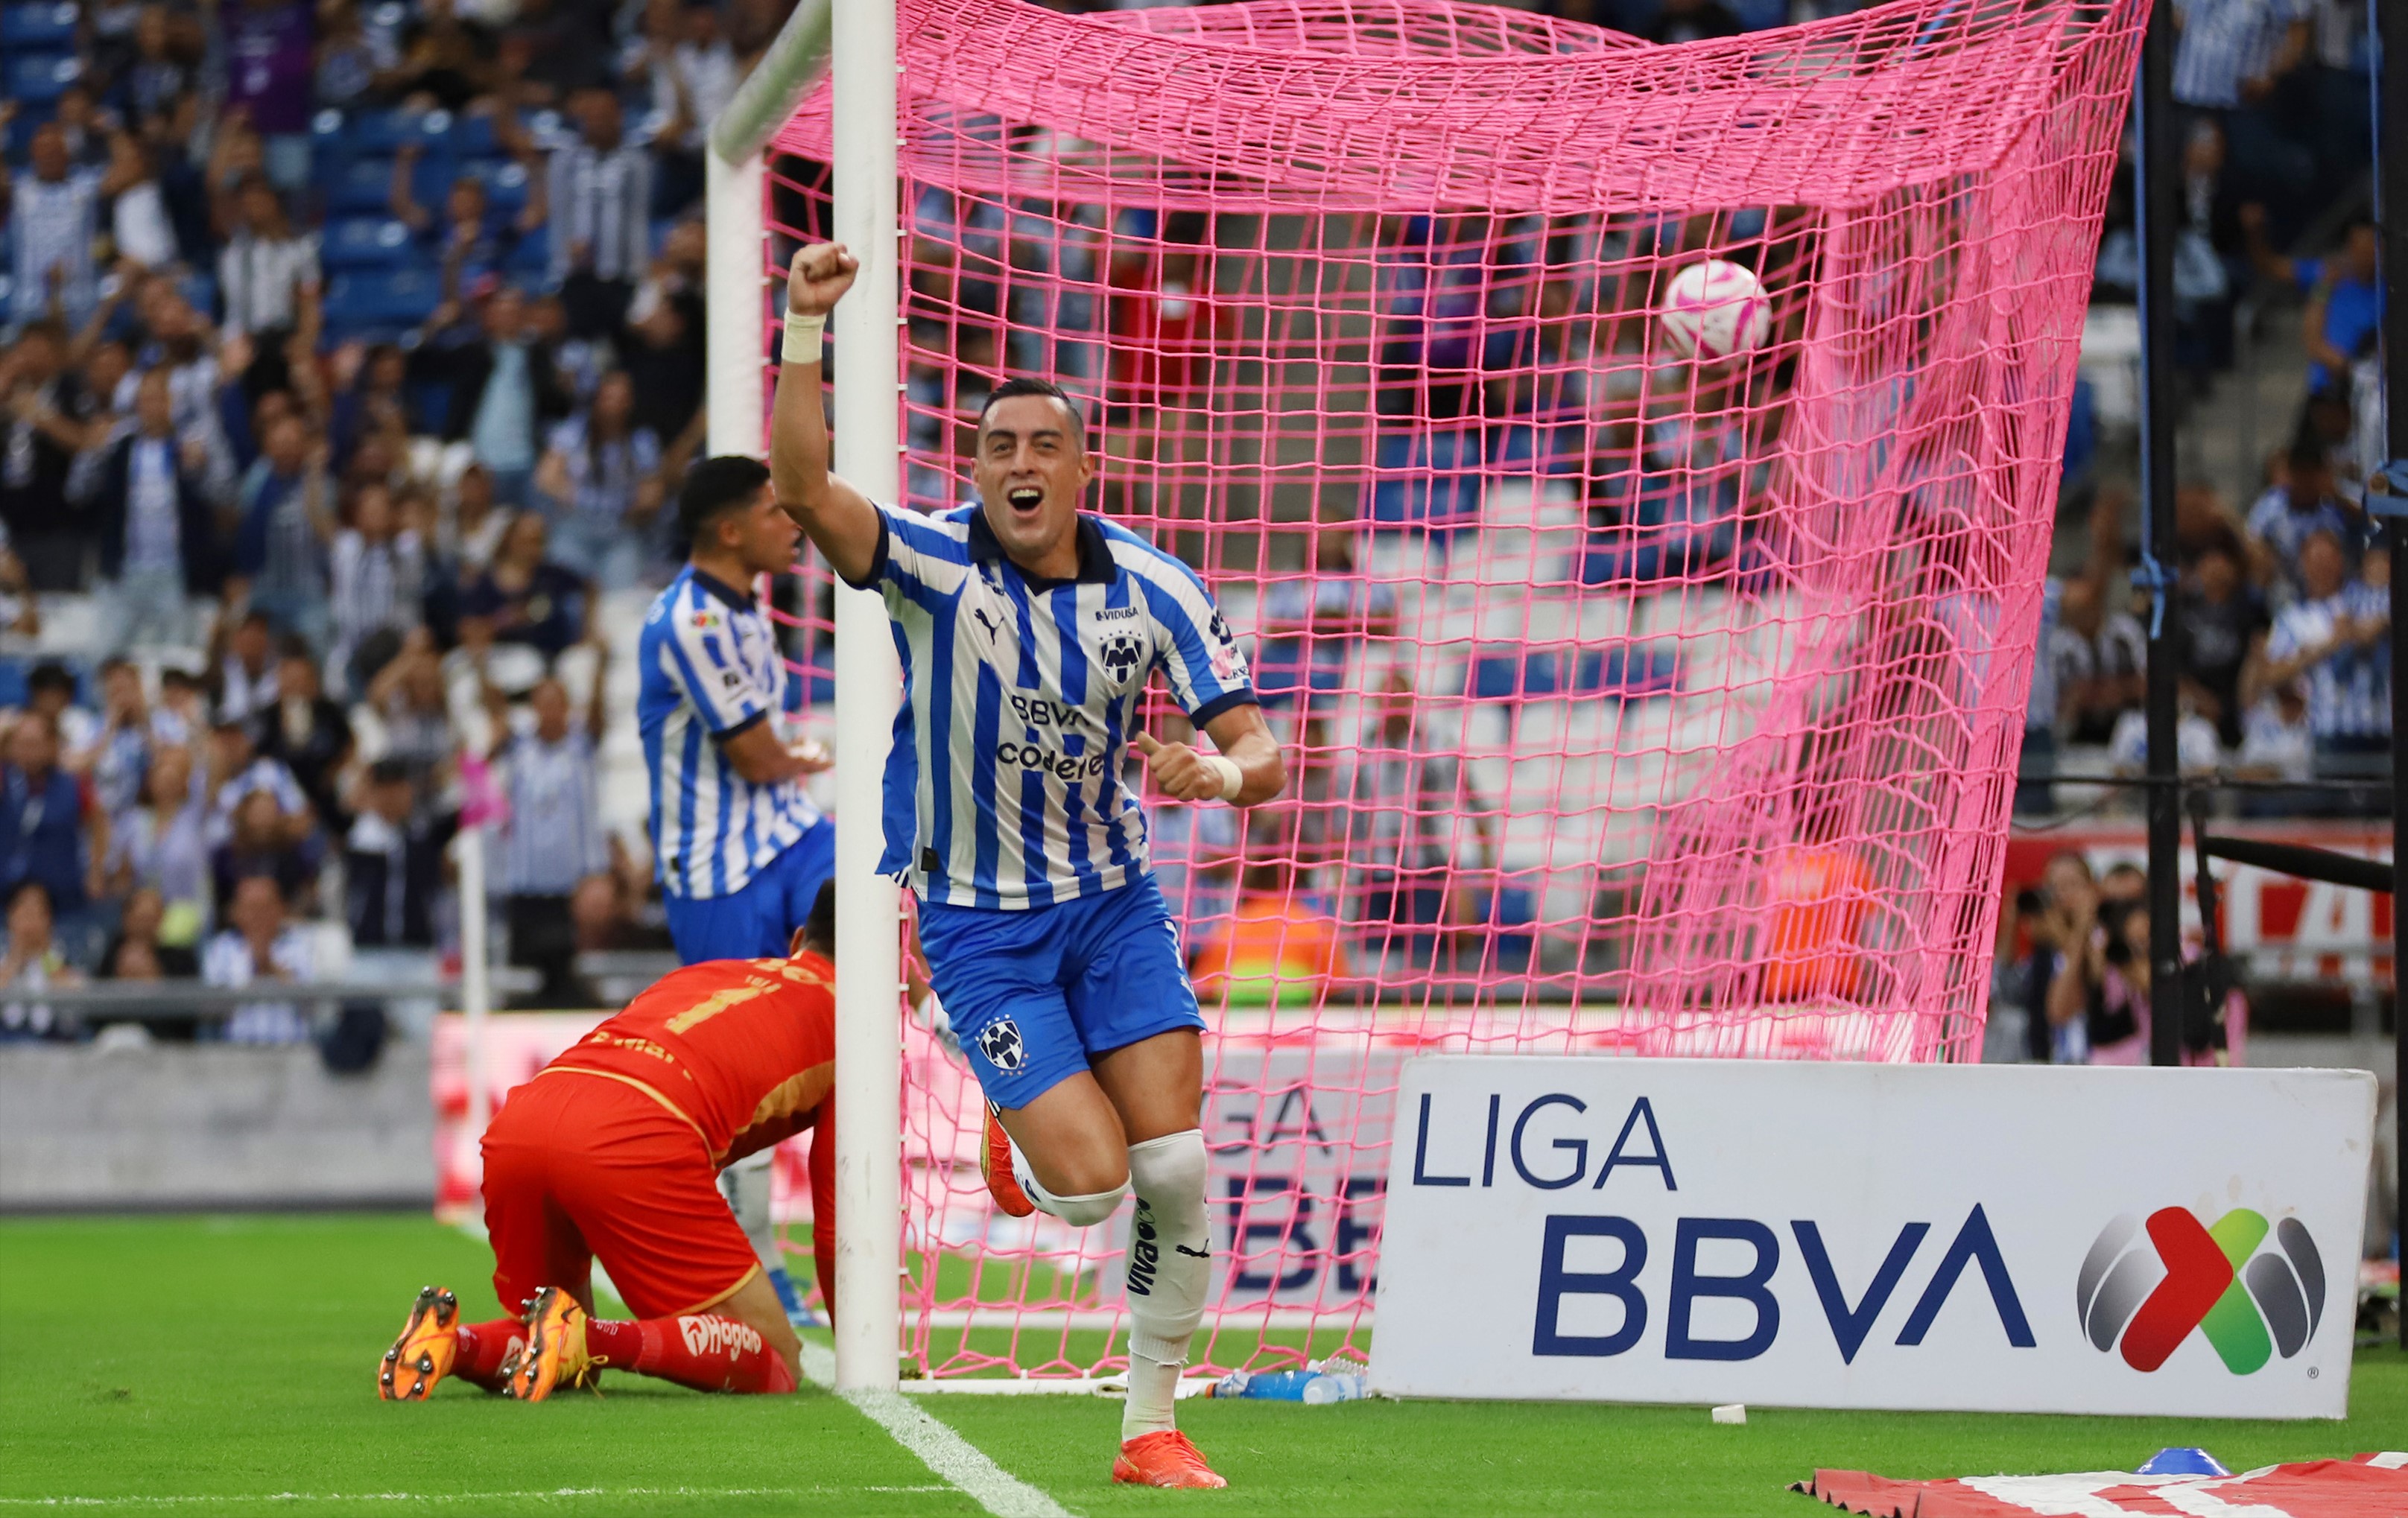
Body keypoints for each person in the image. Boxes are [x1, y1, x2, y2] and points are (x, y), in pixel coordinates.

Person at [770, 242, 1286, 1489]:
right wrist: (800, 329)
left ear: (1080, 467)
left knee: (1176, 1165)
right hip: (979, 928)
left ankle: (1148, 1426)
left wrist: (1217, 776)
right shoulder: (934, 563)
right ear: (980, 467)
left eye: (1041, 446)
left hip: (1112, 908)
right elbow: (800, 485)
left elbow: (1260, 749)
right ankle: (1021, 1122)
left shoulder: (1155, 587)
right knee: (1095, 1187)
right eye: (997, 446)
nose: (1017, 465)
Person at [376, 883, 843, 1403]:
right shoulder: (857, 1028)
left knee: (560, 1361)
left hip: (524, 1121)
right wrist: (862, 1349)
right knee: (777, 1358)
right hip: (636, 1133)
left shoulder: (712, 972)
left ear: (799, 939)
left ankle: (453, 1344)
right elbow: (838, 1223)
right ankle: (589, 1337)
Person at [636, 457, 837, 964]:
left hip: (789, 831)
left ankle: (932, 1022)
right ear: (730, 532)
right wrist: (810, 755)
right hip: (720, 867)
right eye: (774, 512)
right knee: (749, 1030)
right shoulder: (692, 622)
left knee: (882, 905)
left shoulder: (745, 604)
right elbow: (758, 760)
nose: (794, 523)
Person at [81, 368, 227, 652]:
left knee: (175, 656)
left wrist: (202, 469)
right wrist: (92, 454)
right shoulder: (119, 449)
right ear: (137, 405)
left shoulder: (188, 447)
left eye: (160, 399)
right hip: (124, 572)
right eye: (146, 400)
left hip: (172, 572)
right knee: (105, 653)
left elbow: (224, 494)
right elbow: (79, 492)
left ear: (172, 404)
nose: (153, 407)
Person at [498, 670, 609, 1004]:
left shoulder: (582, 747)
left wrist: (600, 666)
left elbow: (598, 719)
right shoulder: (519, 750)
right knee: (525, 977)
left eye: (556, 704)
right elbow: (493, 712)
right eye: (542, 704)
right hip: (527, 884)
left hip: (571, 886)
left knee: (570, 976)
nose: (549, 712)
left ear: (567, 707)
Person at [201, 873, 314, 1044]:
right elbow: (211, 1009)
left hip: (294, 1051)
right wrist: (253, 971)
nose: (258, 916)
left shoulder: (303, 944)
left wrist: (271, 967)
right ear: (236, 912)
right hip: (235, 1053)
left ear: (281, 909)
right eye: (251, 909)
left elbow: (317, 1006)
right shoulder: (221, 947)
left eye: (265, 908)